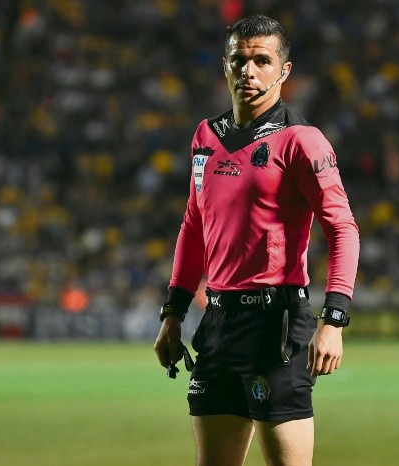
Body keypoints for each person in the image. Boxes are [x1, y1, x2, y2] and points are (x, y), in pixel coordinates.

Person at [154, 15, 360, 466]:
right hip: (217, 323)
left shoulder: (303, 141)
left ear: (284, 71)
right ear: (225, 67)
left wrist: (334, 319)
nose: (248, 71)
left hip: (276, 326)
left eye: (262, 61)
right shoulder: (206, 136)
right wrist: (173, 313)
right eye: (239, 60)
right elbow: (194, 225)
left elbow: (343, 228)